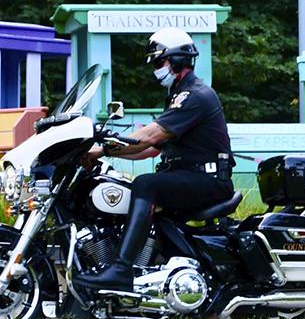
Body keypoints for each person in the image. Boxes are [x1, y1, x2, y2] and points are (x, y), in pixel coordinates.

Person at [76, 27, 234, 292]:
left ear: (178, 60)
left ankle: (121, 269)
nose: (155, 68)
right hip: (188, 176)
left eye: (159, 61)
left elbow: (149, 137)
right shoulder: (176, 97)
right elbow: (150, 149)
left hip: (208, 180)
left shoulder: (194, 95)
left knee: (146, 185)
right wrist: (101, 153)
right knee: (125, 186)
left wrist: (103, 146)